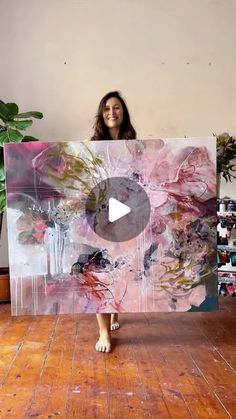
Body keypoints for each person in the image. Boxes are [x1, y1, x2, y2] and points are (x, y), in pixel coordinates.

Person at [90, 91, 136, 352]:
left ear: (123, 112)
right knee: (101, 271)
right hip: (100, 215)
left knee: (122, 267)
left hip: (127, 213)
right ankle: (103, 333)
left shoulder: (133, 145)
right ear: (101, 113)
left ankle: (116, 313)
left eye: (116, 107)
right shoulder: (92, 144)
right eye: (106, 108)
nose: (111, 112)